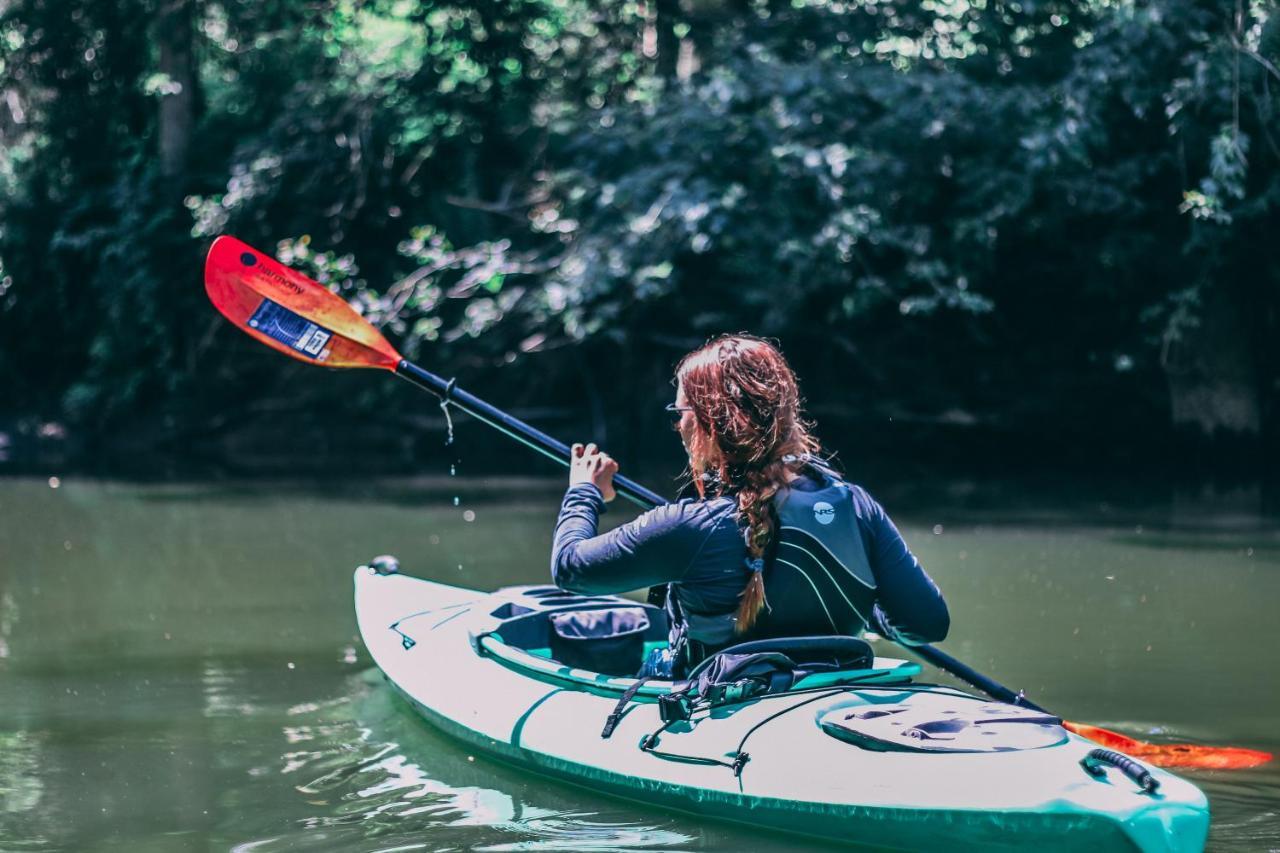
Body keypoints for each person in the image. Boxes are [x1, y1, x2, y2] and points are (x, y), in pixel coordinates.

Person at [550, 334, 948, 677]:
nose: (677, 425)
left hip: (726, 706)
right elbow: (927, 623)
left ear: (709, 421)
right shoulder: (855, 504)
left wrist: (583, 490)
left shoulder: (691, 526)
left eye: (681, 412)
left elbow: (570, 569)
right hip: (831, 685)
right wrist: (861, 607)